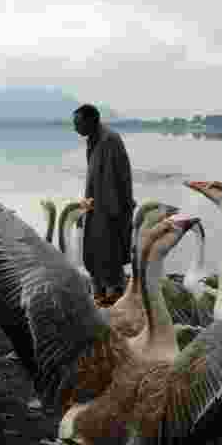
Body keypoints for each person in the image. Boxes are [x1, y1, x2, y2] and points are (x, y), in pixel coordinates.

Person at [73, 103, 135, 301]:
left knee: (109, 255)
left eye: (78, 123)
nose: (75, 128)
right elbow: (94, 179)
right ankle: (100, 294)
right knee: (93, 252)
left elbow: (117, 179)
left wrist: (115, 213)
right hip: (95, 206)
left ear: (92, 121)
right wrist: (85, 208)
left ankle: (113, 296)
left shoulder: (110, 140)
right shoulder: (93, 138)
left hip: (110, 209)